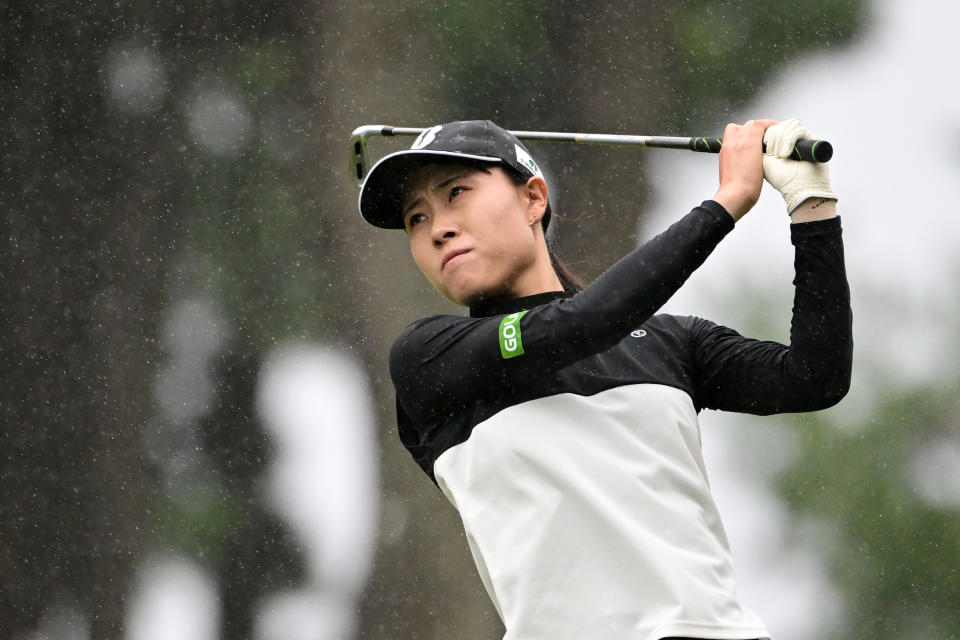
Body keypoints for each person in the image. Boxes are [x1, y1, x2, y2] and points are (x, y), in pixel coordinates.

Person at [358, 118, 852, 640]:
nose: (437, 228)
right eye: (416, 219)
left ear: (533, 199)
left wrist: (811, 205)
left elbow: (814, 378)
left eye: (456, 193)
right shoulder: (430, 360)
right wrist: (726, 202)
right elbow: (581, 324)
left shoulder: (670, 344)